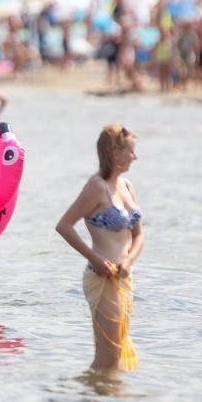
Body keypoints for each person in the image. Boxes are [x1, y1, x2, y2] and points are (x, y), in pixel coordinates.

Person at [55, 124, 143, 371]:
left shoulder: (127, 186)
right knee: (107, 357)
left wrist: (129, 261)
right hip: (102, 278)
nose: (135, 157)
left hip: (124, 277)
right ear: (115, 153)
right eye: (131, 152)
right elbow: (64, 225)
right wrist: (94, 258)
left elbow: (139, 236)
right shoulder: (96, 187)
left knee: (118, 354)